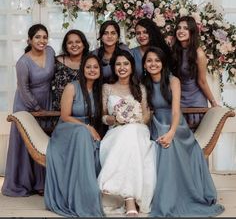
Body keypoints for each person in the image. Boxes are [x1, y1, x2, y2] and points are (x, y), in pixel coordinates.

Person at [142, 46, 225, 217]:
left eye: (157, 60)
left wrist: (172, 132)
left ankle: (171, 198)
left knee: (166, 140)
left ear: (163, 63)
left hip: (176, 125)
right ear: (144, 65)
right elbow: (146, 111)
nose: (153, 64)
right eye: (149, 61)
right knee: (157, 139)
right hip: (156, 122)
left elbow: (175, 111)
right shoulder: (144, 84)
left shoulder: (173, 81)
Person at [44, 54, 104, 217]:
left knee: (91, 139)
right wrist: (87, 127)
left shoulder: (101, 90)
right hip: (68, 129)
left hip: (86, 131)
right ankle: (84, 196)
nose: (92, 70)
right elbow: (64, 116)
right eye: (88, 67)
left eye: (95, 67)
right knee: (82, 133)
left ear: (100, 70)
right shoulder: (72, 86)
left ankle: (87, 190)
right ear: (82, 69)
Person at [98, 50, 156, 216]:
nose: (122, 67)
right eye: (118, 64)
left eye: (125, 64)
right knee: (127, 136)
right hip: (115, 132)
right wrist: (116, 119)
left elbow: (146, 116)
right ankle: (128, 199)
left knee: (131, 133)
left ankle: (129, 199)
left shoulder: (140, 88)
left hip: (138, 130)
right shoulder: (107, 88)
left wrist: (133, 118)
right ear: (113, 67)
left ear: (132, 67)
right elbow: (103, 116)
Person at [2, 24, 55, 197]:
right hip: (26, 104)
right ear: (29, 40)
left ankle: (42, 183)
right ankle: (23, 183)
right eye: (38, 37)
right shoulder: (23, 62)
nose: (42, 40)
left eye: (45, 37)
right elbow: (23, 89)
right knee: (26, 142)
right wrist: (37, 109)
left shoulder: (51, 52)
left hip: (47, 100)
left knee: (42, 141)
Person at [172, 16, 218, 127]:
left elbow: (202, 81)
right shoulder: (174, 50)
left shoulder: (199, 53)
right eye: (179, 28)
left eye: (185, 28)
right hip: (178, 100)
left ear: (192, 32)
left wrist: (213, 102)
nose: (181, 31)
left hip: (195, 102)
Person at [51, 29, 89, 110]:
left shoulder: (90, 64)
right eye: (70, 42)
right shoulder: (56, 61)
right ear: (65, 46)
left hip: (82, 111)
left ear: (84, 44)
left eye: (78, 42)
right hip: (58, 111)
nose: (74, 45)